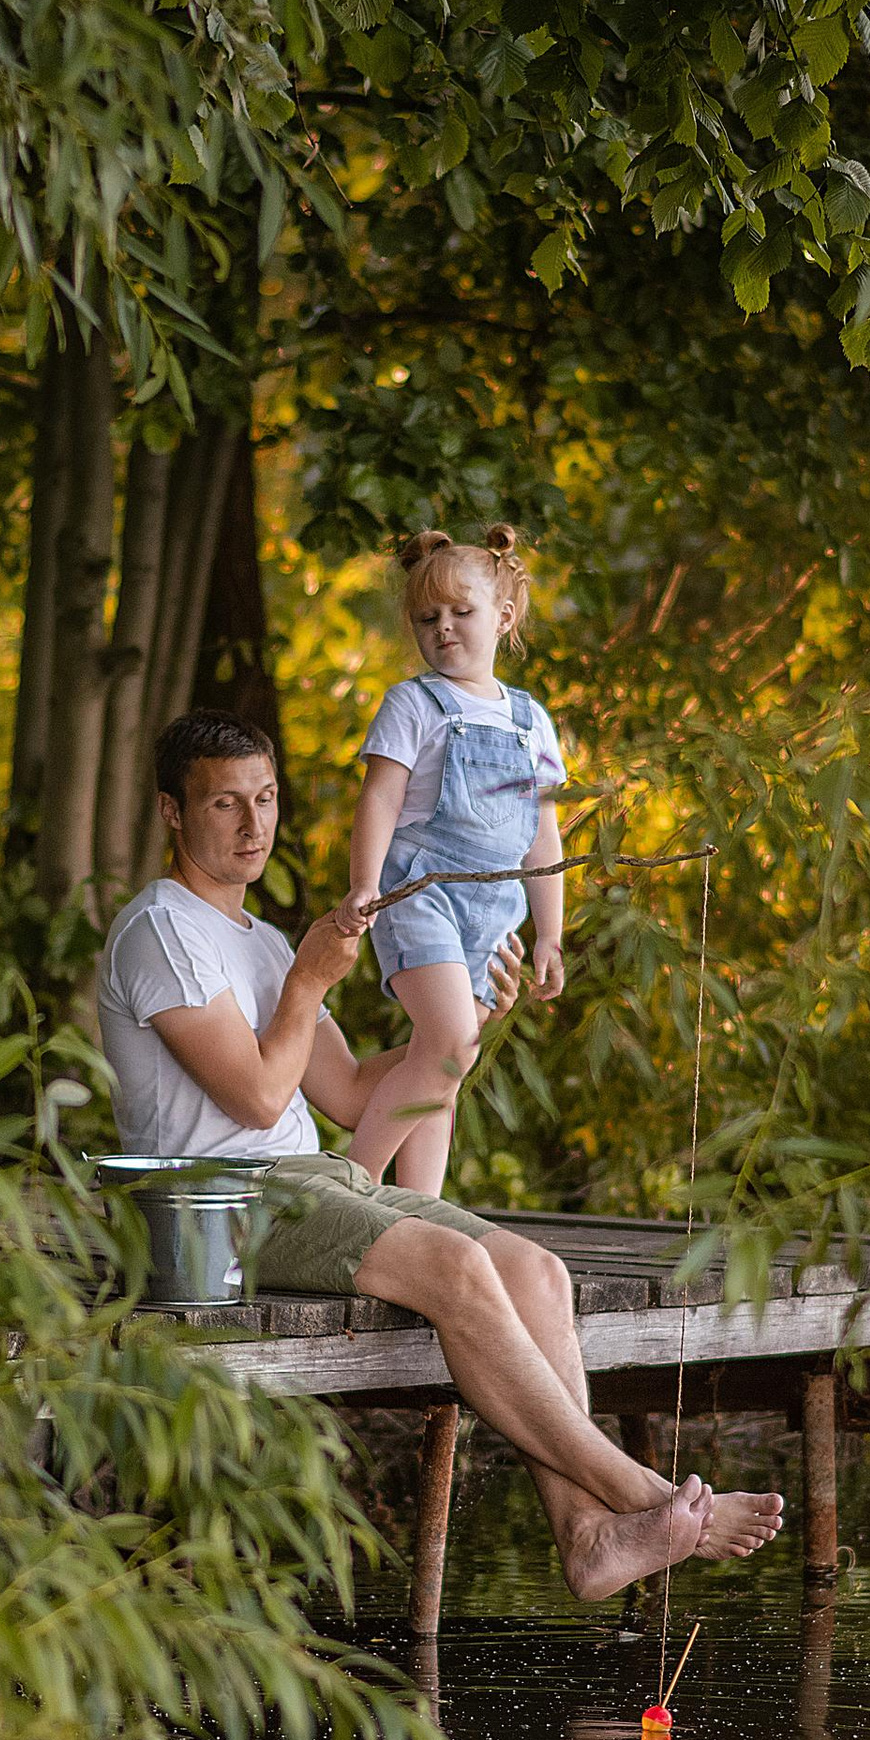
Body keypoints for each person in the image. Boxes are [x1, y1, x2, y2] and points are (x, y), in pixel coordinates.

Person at [94, 706, 782, 1602]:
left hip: (307, 1182)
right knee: (455, 1265)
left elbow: (344, 1093)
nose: (254, 824)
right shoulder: (161, 930)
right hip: (217, 1205)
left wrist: (465, 1027)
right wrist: (308, 980)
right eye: (225, 804)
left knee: (538, 1273)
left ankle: (587, 1538)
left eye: (265, 799)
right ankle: (637, 1491)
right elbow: (259, 1097)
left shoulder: (261, 942)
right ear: (172, 814)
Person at [341, 526, 563, 1197]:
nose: (443, 629)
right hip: (420, 894)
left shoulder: (533, 721)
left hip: (494, 909)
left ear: (503, 615)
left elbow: (543, 834)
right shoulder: (415, 704)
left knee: (441, 1063)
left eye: (460, 613)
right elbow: (378, 800)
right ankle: (354, 1181)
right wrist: (362, 885)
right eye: (426, 618)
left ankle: (419, 1209)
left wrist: (551, 933)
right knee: (449, 1045)